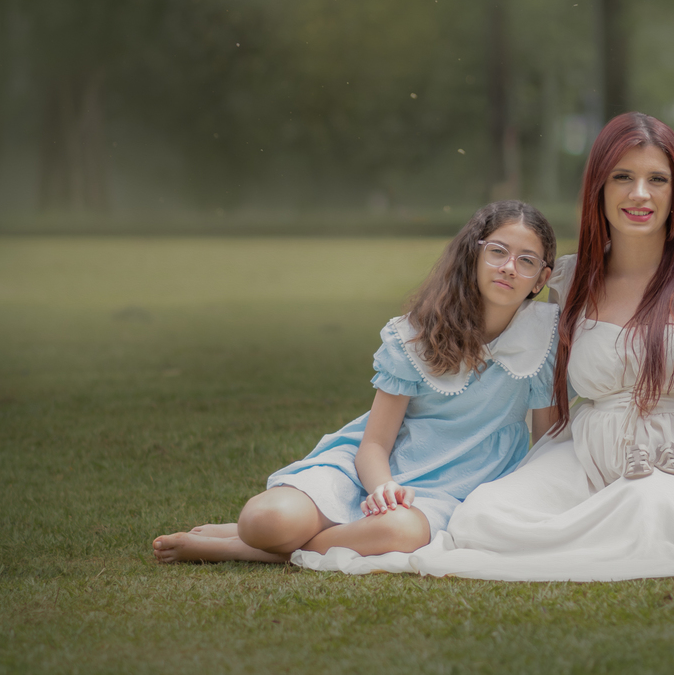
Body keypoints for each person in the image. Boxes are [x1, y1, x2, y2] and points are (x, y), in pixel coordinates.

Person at [318, 112, 674, 581]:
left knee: (653, 508)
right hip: (586, 449)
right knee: (482, 517)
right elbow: (500, 343)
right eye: (622, 177)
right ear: (598, 188)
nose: (639, 194)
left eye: (656, 179)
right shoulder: (567, 279)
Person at [152, 201, 558, 564]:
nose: (509, 267)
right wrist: (382, 487)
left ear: (541, 279)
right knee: (263, 521)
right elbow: (375, 444)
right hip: (373, 469)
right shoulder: (416, 334)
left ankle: (241, 549)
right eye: (497, 251)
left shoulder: (543, 341)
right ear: (473, 255)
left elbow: (546, 448)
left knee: (399, 531)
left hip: (451, 491)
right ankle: (265, 536)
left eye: (526, 260)